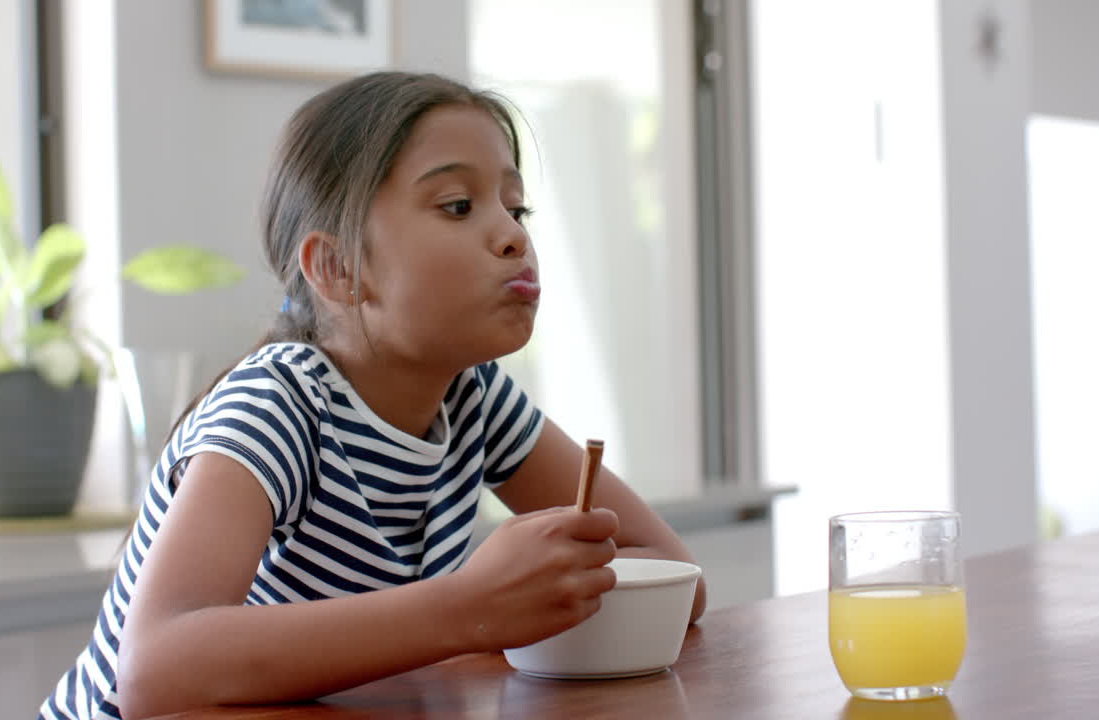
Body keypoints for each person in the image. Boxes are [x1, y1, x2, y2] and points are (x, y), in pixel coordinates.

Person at [39, 71, 706, 720]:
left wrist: (539, 586)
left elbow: (681, 579)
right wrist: (468, 606)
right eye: (458, 206)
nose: (514, 235)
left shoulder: (475, 399)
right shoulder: (278, 404)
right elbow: (155, 673)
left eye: (516, 205)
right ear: (336, 269)